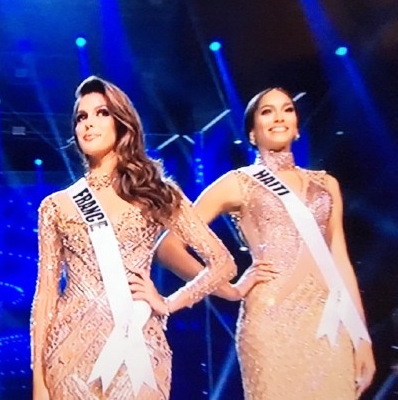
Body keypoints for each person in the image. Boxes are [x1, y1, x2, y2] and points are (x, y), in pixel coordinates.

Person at [141, 87, 376, 399]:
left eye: (287, 109)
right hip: (270, 319)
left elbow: (340, 261)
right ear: (252, 133)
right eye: (267, 111)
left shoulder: (326, 184)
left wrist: (362, 338)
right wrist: (228, 287)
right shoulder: (237, 183)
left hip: (329, 322)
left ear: (295, 126)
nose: (279, 116)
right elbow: (169, 247)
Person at [30, 75, 237, 399]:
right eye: (81, 117)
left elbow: (222, 264)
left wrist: (168, 302)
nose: (89, 123)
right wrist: (39, 382)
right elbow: (44, 298)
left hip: (138, 345)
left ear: (122, 123)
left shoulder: (157, 194)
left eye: (101, 113)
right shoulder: (56, 206)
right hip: (68, 352)